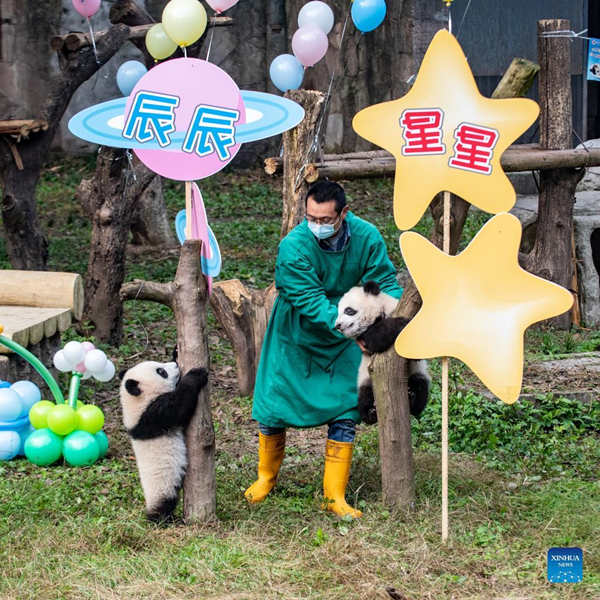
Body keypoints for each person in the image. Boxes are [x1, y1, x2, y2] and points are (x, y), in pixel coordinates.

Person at [245, 180, 403, 517]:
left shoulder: (367, 236)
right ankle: (265, 477)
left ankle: (334, 495)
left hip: (349, 328)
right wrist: (348, 325)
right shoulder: (294, 246)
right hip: (300, 328)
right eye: (310, 218)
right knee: (275, 404)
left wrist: (386, 318)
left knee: (345, 406)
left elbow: (384, 282)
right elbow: (308, 298)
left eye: (325, 219)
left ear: (343, 213)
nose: (316, 225)